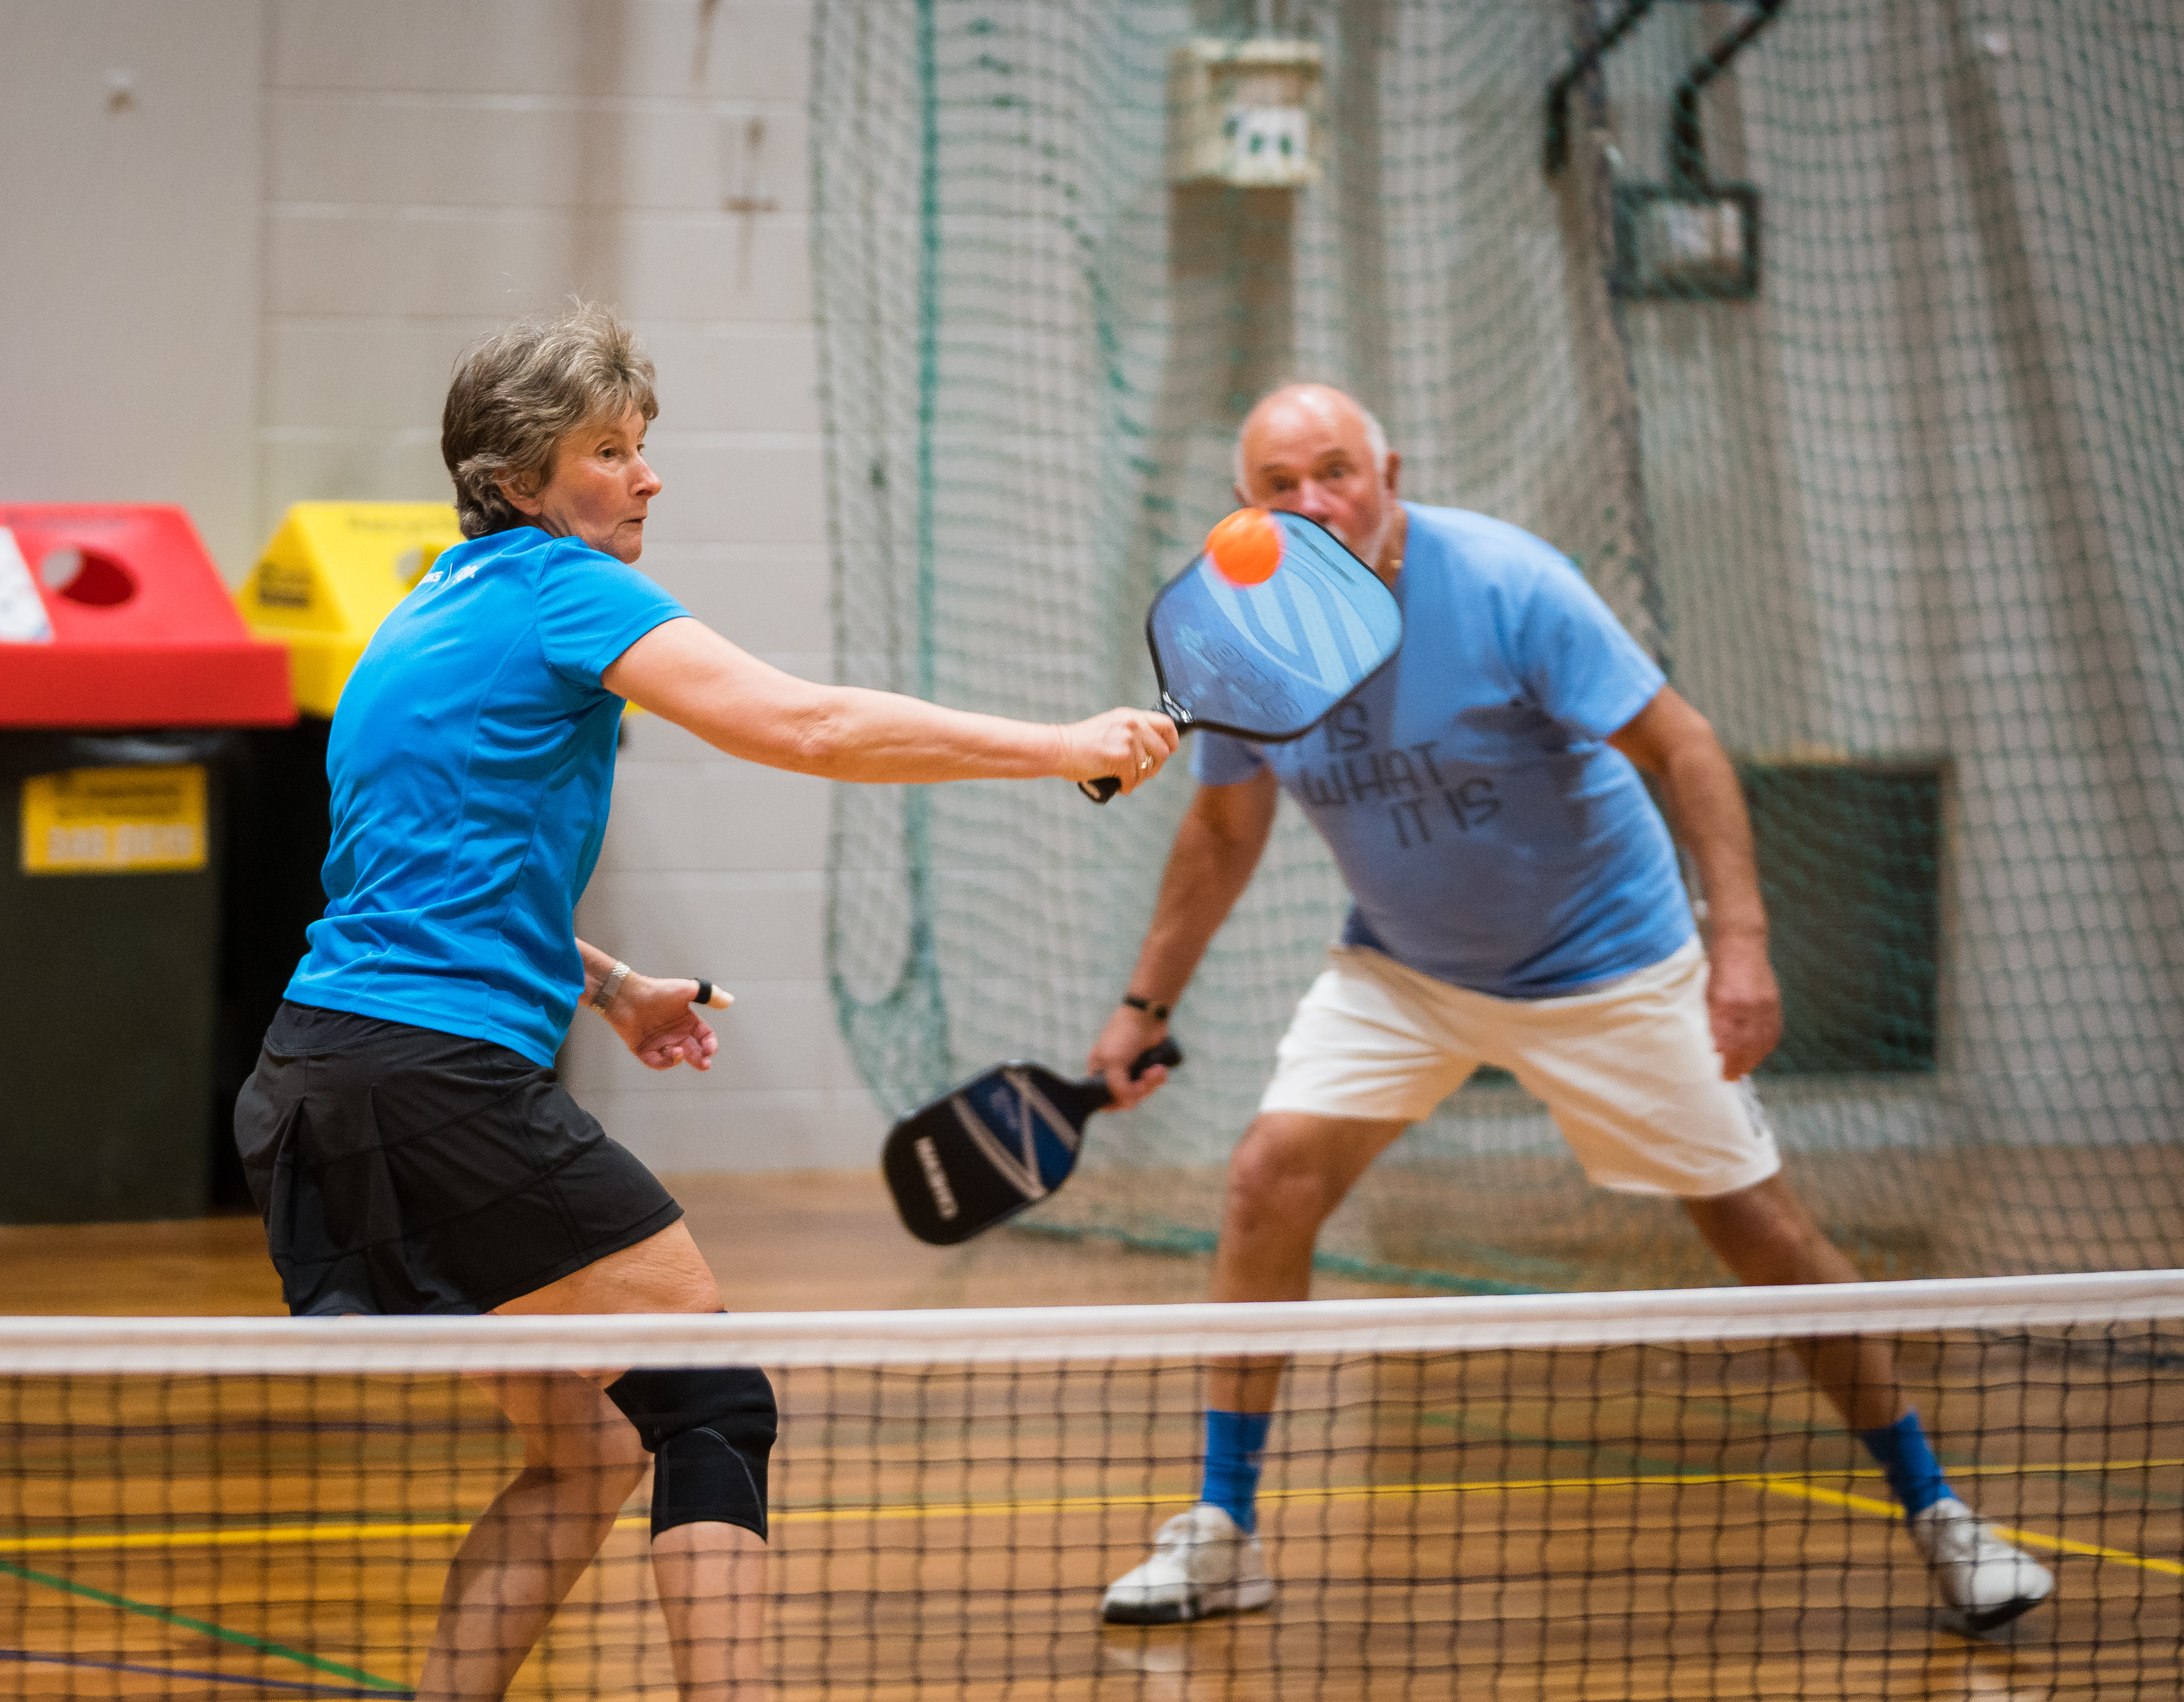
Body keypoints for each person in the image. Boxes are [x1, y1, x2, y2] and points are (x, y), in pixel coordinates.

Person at [233, 302, 1179, 1702]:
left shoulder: (422, 612)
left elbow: (419, 879)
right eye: (608, 451)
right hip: (436, 1078)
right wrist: (1062, 746)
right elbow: (802, 725)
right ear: (517, 484)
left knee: (589, 1448)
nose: (647, 476)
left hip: (317, 1078)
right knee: (710, 1402)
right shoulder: (566, 590)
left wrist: (608, 983)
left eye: (642, 445)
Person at [1092, 383, 2054, 1633]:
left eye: (1336, 469)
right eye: (1280, 483)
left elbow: (1688, 748)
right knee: (1267, 1174)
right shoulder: (1236, 631)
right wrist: (1140, 1004)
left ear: (1389, 470)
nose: (1313, 499)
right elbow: (1224, 826)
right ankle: (1224, 1530)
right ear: (1246, 506)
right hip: (1405, 971)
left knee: (1756, 1227)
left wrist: (1741, 947)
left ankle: (1939, 1513)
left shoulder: (1504, 582)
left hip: (1607, 963)